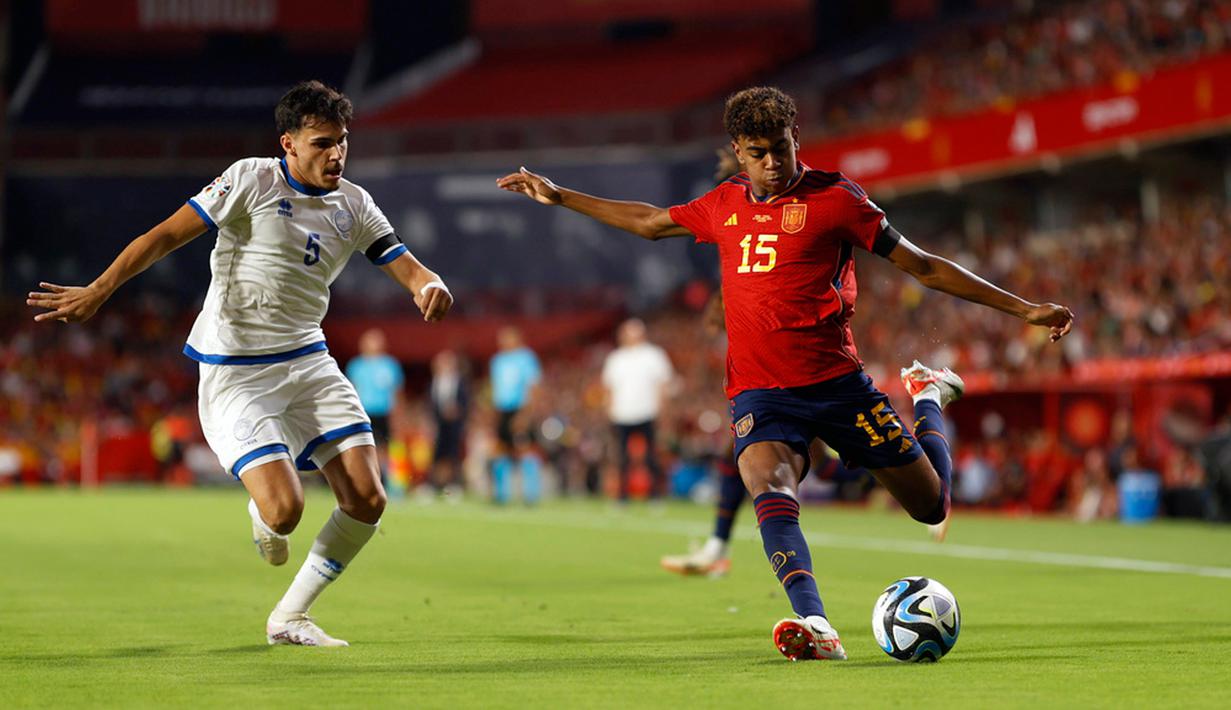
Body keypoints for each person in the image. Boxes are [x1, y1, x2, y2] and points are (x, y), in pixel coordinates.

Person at [497, 86, 1072, 661]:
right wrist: (560, 196)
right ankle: (815, 623)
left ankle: (927, 396)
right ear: (738, 152)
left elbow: (922, 266)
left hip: (838, 388)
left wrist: (1024, 309)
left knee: (932, 506)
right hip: (760, 393)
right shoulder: (723, 203)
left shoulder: (837, 199)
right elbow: (650, 221)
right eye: (758, 152)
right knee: (769, 487)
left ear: (796, 138)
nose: (772, 162)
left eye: (780, 147)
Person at [28, 80, 453, 647]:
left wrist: (430, 285)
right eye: (322, 143)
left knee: (369, 498)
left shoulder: (354, 204)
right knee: (285, 512)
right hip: (237, 370)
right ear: (289, 144)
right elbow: (164, 236)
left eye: (342, 141)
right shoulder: (251, 179)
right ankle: (264, 513)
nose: (337, 154)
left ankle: (290, 618)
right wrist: (100, 289)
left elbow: (411, 269)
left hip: (308, 360)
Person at [601, 318, 675, 502]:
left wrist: (663, 409)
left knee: (651, 456)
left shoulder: (654, 355)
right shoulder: (616, 358)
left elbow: (663, 385)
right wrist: (609, 410)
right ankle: (622, 495)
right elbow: (608, 388)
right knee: (622, 457)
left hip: (647, 411)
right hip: (622, 413)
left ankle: (655, 494)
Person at [488, 326, 542, 504]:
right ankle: (501, 495)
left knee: (524, 449)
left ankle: (531, 495)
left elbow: (533, 387)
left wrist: (525, 414)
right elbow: (496, 389)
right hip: (502, 409)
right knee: (500, 450)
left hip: (519, 408)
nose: (504, 342)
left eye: (508, 338)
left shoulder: (527, 358)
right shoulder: (497, 361)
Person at [345, 329, 405, 488]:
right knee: (364, 446)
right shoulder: (356, 366)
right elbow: (352, 391)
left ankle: (384, 479)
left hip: (384, 412)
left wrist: (398, 417)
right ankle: (366, 480)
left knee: (384, 447)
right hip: (364, 412)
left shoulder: (390, 365)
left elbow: (397, 393)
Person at [429, 348, 469, 500]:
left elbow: (466, 403)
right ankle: (435, 485)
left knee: (453, 455)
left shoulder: (460, 382)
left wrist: (457, 411)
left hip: (455, 426)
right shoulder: (434, 382)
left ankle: (454, 485)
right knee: (437, 456)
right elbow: (431, 404)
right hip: (438, 425)